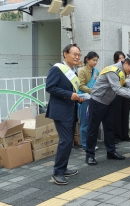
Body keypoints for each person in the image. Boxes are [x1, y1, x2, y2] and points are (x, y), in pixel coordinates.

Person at [85, 54, 130, 165]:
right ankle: (90, 155)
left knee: (110, 128)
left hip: (108, 102)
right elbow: (117, 89)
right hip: (97, 102)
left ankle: (111, 152)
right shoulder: (113, 70)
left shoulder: (121, 72)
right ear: (126, 63)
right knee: (93, 129)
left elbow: (124, 83)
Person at [46, 43, 85, 185]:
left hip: (70, 110)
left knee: (68, 142)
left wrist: (79, 98)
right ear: (65, 54)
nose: (77, 57)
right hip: (60, 111)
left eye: (79, 55)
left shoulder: (72, 71)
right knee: (66, 141)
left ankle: (63, 168)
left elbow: (72, 92)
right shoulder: (57, 69)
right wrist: (70, 95)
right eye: (74, 54)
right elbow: (50, 87)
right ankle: (57, 172)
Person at [112, 51, 130, 143]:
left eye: (123, 57)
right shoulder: (114, 69)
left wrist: (129, 83)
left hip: (127, 93)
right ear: (116, 60)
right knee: (117, 114)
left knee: (125, 114)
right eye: (119, 58)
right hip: (117, 94)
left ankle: (125, 135)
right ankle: (117, 135)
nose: (122, 59)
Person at [78, 52, 99, 151]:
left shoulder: (96, 71)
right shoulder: (82, 71)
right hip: (85, 99)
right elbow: (81, 85)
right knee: (85, 123)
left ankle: (91, 143)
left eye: (96, 60)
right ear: (87, 59)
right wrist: (91, 91)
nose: (95, 62)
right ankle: (85, 145)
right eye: (93, 60)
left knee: (92, 122)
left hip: (94, 99)